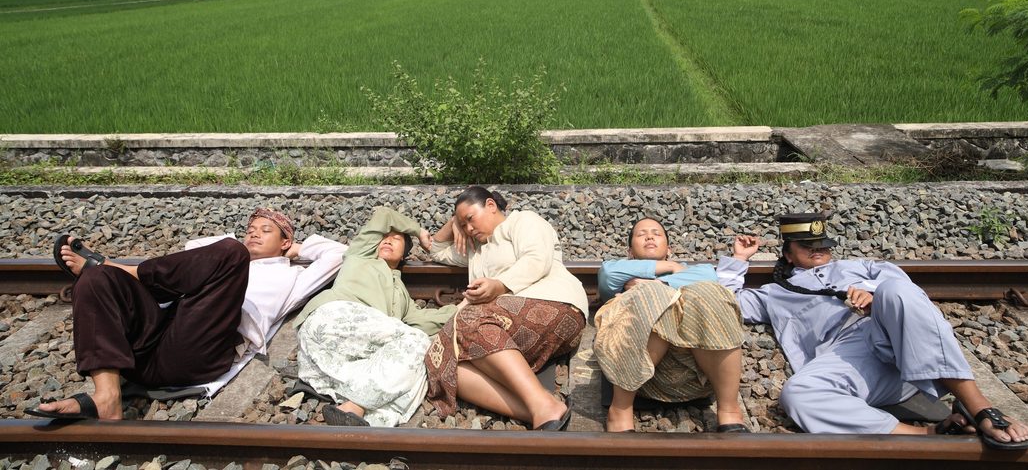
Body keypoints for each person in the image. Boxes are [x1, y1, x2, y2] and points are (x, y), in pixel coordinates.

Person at [728, 211, 1028, 450]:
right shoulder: (774, 293)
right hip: (848, 355)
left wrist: (874, 296)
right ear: (788, 254)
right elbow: (726, 303)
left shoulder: (859, 266)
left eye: (822, 244)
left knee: (895, 291)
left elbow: (905, 289)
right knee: (798, 394)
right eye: (807, 246)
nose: (817, 250)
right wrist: (739, 260)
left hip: (895, 334)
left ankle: (977, 406)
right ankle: (927, 433)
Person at [28, 208, 345, 421]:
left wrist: (294, 250)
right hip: (155, 339)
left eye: (266, 231)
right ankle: (106, 396)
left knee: (228, 253)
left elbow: (338, 254)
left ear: (285, 241)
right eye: (250, 229)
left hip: (199, 351)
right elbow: (195, 247)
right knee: (94, 279)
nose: (254, 234)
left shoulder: (291, 276)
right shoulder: (230, 253)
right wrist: (237, 248)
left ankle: (124, 269)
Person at [424, 186, 588, 430]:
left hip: (555, 306)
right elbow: (435, 250)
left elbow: (536, 259)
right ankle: (538, 409)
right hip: (500, 329)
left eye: (471, 219)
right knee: (439, 362)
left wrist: (500, 285)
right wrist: (454, 222)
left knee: (468, 317)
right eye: (464, 225)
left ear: (491, 205)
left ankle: (541, 403)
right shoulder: (475, 250)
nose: (469, 228)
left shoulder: (522, 221)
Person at [293, 207, 458, 427]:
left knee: (420, 361)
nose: (388, 241)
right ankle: (361, 408)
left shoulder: (402, 295)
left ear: (404, 255)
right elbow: (383, 214)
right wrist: (418, 231)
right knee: (418, 342)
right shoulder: (359, 256)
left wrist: (463, 308)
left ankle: (359, 416)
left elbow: (424, 321)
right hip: (331, 320)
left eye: (396, 239)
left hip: (337, 357)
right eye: (384, 238)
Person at [595, 217, 751, 433]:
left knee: (709, 292)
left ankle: (730, 411)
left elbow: (709, 278)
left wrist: (662, 282)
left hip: (696, 373)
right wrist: (669, 268)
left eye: (657, 234)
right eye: (641, 234)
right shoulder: (617, 268)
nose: (649, 236)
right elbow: (608, 275)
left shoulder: (699, 271)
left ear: (669, 248)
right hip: (640, 377)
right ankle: (620, 410)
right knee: (651, 293)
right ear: (630, 252)